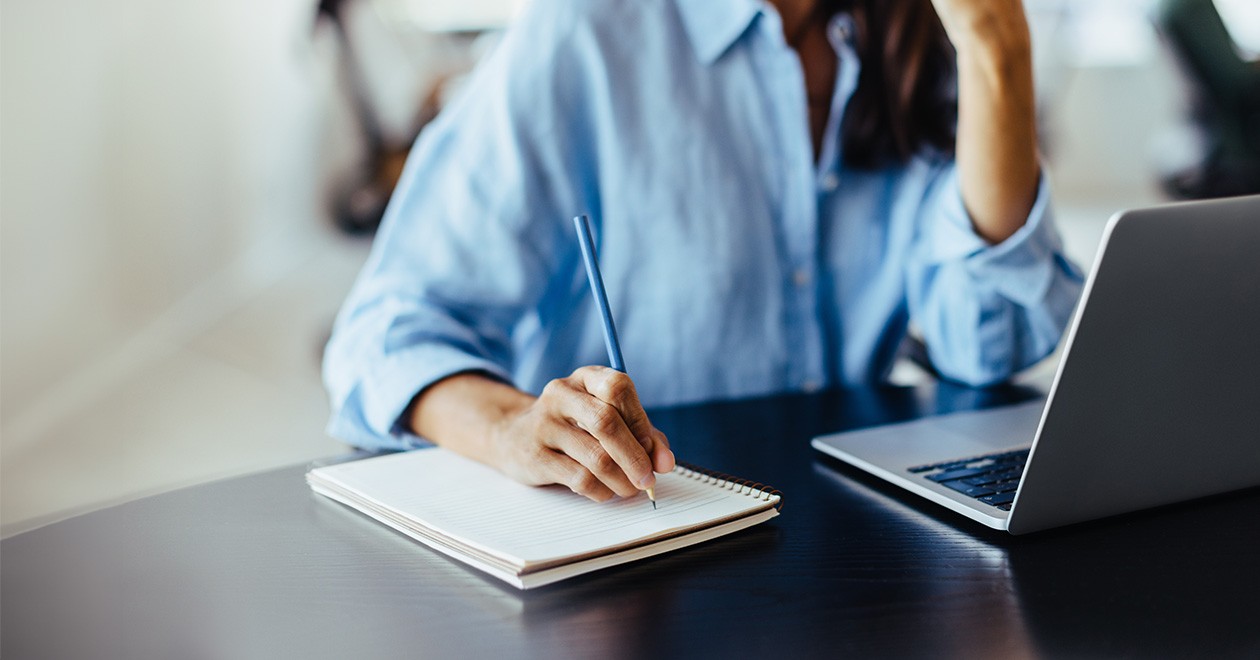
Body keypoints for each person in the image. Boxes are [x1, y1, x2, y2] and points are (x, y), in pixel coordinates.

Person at [323, 0, 1084, 504]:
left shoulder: (924, 32)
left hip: (848, 537)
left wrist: (997, 50)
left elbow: (988, 342)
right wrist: (512, 427)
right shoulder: (588, 31)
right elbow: (386, 333)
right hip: (636, 540)